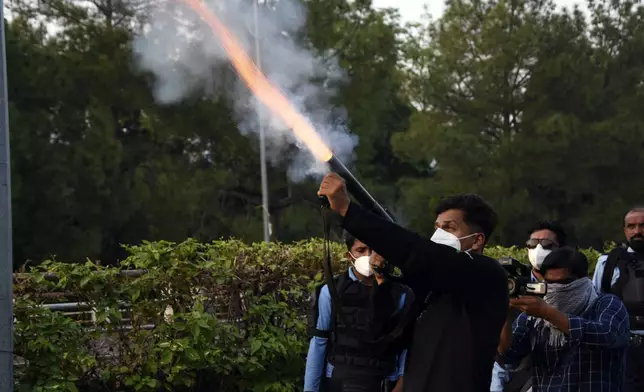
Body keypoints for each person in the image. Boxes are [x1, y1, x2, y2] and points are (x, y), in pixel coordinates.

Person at [318, 173, 509, 392]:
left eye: (449, 228)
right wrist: (383, 277)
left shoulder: (488, 274)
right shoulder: (432, 284)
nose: (438, 234)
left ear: (477, 240)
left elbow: (416, 252)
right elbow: (385, 332)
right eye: (437, 227)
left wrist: (348, 211)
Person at [497, 247, 630, 391]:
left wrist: (549, 314)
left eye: (563, 283)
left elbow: (607, 336)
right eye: (550, 283)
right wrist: (506, 316)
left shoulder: (606, 304)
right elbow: (508, 357)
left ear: (583, 281)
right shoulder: (534, 316)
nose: (556, 289)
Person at [304, 233, 413, 392]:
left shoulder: (402, 294)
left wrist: (401, 385)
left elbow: (405, 347)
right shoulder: (332, 291)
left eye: (375, 250)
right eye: (361, 250)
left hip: (382, 381)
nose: (369, 256)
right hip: (340, 381)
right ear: (349, 256)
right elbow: (319, 342)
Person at [491, 221, 568, 392]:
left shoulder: (571, 286)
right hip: (509, 365)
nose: (538, 250)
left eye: (547, 245)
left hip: (553, 368)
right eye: (533, 244)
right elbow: (502, 351)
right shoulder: (511, 281)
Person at [592, 206, 644, 392]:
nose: (637, 231)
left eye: (643, 225)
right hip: (622, 346)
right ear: (625, 230)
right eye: (631, 226)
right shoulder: (607, 263)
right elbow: (596, 301)